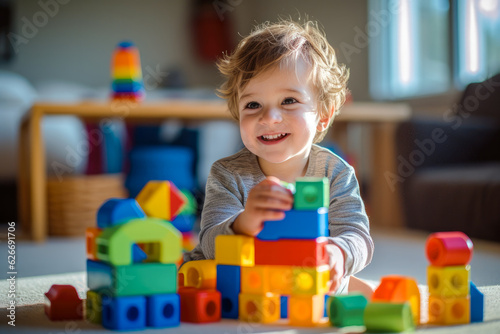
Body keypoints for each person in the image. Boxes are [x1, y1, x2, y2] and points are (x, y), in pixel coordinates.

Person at [185, 18, 374, 295]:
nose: (269, 118)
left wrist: (339, 252)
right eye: (252, 105)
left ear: (323, 116)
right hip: (239, 292)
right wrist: (243, 222)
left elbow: (358, 236)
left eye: (289, 101)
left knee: (363, 295)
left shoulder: (336, 173)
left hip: (303, 290)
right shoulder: (227, 174)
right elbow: (210, 243)